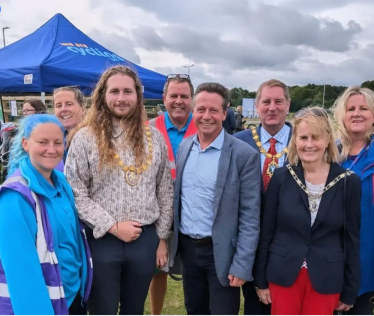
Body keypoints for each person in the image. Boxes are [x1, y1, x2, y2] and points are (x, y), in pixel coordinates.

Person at [64, 65, 174, 315]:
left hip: (145, 240)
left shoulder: (154, 138)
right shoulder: (85, 137)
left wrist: (161, 239)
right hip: (100, 239)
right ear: (102, 95)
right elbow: (76, 192)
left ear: (138, 95)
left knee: (134, 308)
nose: (121, 98)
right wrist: (113, 226)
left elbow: (164, 191)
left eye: (128, 91)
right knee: (102, 308)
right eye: (114, 91)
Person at [255, 107, 361, 315]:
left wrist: (350, 289)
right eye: (303, 137)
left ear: (327, 140)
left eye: (316, 137)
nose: (309, 144)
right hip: (283, 273)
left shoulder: (348, 182)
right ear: (295, 140)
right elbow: (267, 232)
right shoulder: (281, 178)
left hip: (326, 276)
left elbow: (351, 240)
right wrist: (260, 280)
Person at [172, 82, 261, 315]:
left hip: (222, 253)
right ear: (193, 110)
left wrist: (242, 264)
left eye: (213, 110)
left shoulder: (244, 155)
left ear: (224, 113)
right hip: (189, 250)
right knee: (194, 309)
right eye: (201, 109)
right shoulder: (184, 148)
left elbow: (250, 216)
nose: (206, 116)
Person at [0, 114, 92, 315]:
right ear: (25, 143)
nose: (51, 149)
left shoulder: (61, 182)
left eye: (58, 142)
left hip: (71, 296)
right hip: (44, 304)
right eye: (42, 142)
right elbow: (21, 272)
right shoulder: (15, 197)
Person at [234, 79, 292, 315]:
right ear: (256, 106)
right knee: (255, 307)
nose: (272, 107)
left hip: (291, 245)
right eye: (266, 102)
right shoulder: (239, 142)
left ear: (288, 105)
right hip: (251, 244)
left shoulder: (305, 141)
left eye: (278, 101)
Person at [147, 74, 197, 315]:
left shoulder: (205, 126)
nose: (179, 101)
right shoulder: (147, 128)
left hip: (193, 211)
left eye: (184, 96)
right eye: (174, 96)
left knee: (193, 270)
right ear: (164, 98)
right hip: (157, 211)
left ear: (192, 100)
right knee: (158, 270)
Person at [333, 86, 374, 315]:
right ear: (342, 115)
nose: (357, 113)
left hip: (368, 250)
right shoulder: (329, 154)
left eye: (363, 108)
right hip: (330, 252)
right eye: (351, 109)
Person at [53, 86, 86, 163]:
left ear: (83, 109)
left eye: (69, 104)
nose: (63, 109)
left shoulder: (96, 136)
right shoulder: (54, 138)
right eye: (59, 106)